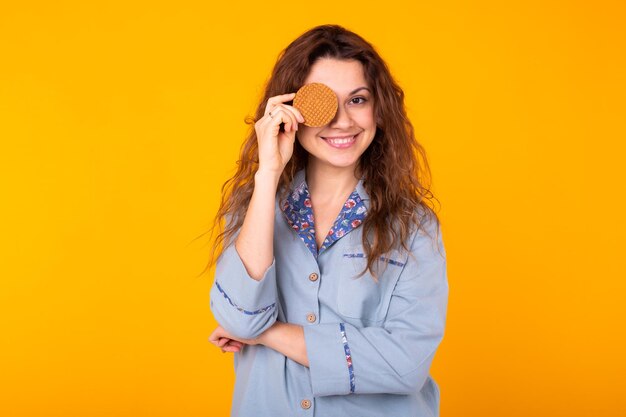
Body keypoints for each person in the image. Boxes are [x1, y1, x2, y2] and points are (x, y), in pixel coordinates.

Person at [207, 24, 449, 417]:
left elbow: (406, 364)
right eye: (322, 102)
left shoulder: (413, 227)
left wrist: (267, 334)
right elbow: (237, 315)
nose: (341, 121)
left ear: (379, 109)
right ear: (289, 109)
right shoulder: (255, 207)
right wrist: (267, 173)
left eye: (357, 99)